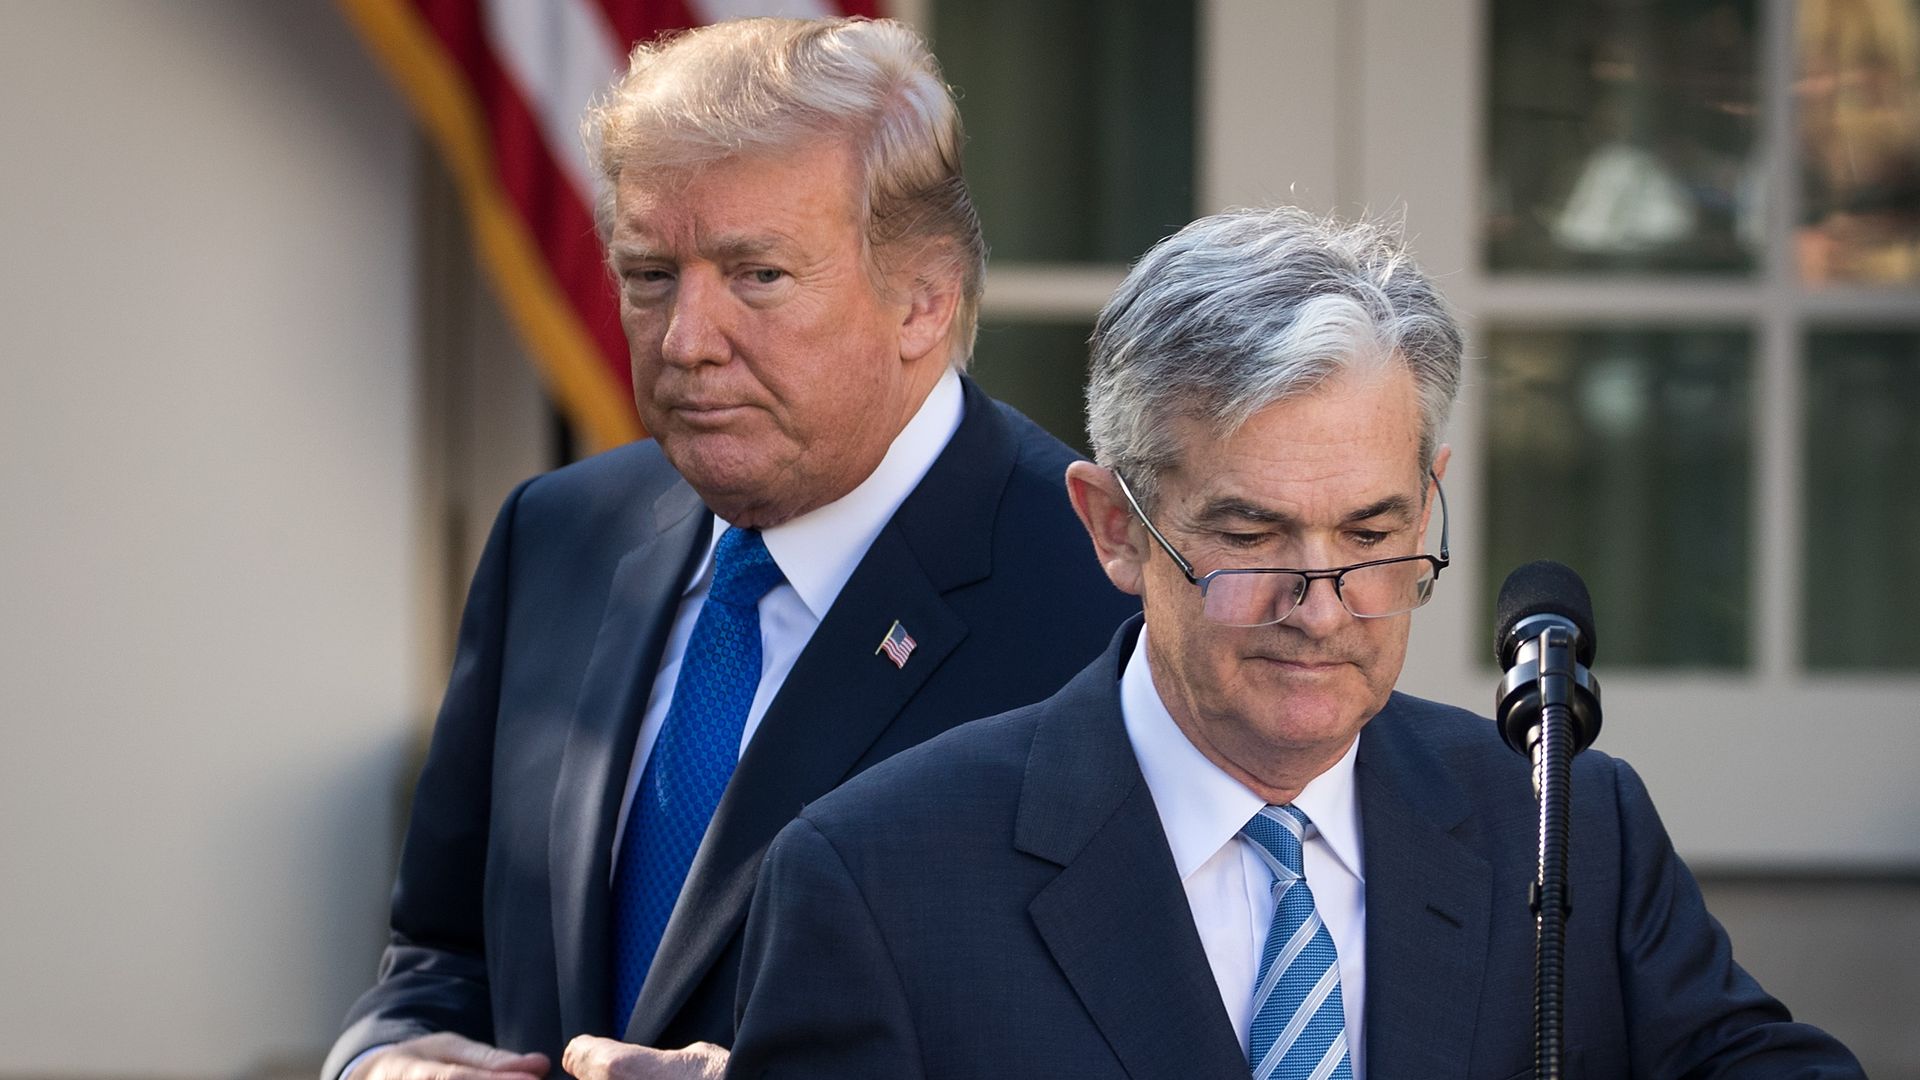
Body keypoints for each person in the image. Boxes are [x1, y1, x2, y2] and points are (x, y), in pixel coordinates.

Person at [728, 208, 1865, 1078]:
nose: (1321, 607)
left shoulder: (1570, 826)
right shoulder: (874, 880)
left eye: (1373, 535)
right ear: (1113, 527)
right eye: (1252, 535)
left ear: (1428, 505)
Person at [323, 17, 1138, 1080]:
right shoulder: (554, 538)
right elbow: (441, 952)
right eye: (650, 275)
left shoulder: (1104, 599)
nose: (685, 339)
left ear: (924, 301)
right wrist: (383, 1064)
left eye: (757, 275)